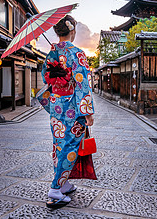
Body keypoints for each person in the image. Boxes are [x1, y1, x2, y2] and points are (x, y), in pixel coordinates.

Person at [39, 15, 94, 208]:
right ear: (72, 31)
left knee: (59, 145)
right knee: (71, 147)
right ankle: (55, 189)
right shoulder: (77, 53)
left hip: (56, 106)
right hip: (72, 107)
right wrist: (87, 111)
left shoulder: (50, 53)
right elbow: (82, 82)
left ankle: (64, 183)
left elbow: (46, 77)